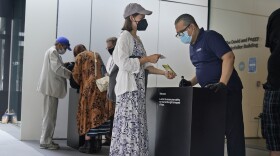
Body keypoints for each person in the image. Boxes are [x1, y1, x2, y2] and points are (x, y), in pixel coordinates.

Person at [109, 3, 176, 156]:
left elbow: (144, 66)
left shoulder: (137, 39)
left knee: (137, 126)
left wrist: (164, 73)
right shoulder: (124, 37)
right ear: (132, 17)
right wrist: (147, 58)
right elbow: (124, 63)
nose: (144, 20)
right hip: (128, 91)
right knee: (129, 127)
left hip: (138, 90)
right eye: (142, 17)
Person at [174, 14, 245, 156]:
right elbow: (202, 70)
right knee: (213, 131)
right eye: (178, 34)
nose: (180, 36)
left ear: (192, 27)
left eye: (181, 32)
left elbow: (229, 57)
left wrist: (223, 83)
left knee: (233, 131)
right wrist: (190, 82)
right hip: (210, 94)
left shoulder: (210, 37)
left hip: (227, 90)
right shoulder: (192, 46)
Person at [71, 44, 114, 153]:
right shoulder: (96, 54)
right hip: (101, 87)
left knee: (88, 114)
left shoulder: (80, 56)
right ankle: (96, 143)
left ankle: (88, 143)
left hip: (89, 90)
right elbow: (104, 70)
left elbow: (76, 76)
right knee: (97, 114)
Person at [37, 36, 72, 150]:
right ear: (60, 45)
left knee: (49, 115)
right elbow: (57, 69)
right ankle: (46, 141)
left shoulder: (53, 52)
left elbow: (57, 66)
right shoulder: (53, 52)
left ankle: (47, 140)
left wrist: (64, 65)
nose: (65, 50)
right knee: (49, 116)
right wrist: (71, 75)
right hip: (50, 88)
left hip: (50, 88)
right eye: (65, 47)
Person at [261, 8, 280, 156]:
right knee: (274, 137)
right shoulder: (275, 15)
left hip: (275, 82)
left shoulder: (275, 15)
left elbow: (272, 48)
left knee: (275, 138)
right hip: (275, 82)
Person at [103, 37, 117, 146]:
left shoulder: (119, 58)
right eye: (107, 48)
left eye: (110, 47)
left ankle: (112, 138)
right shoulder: (110, 58)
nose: (108, 49)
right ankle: (108, 138)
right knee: (109, 115)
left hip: (117, 90)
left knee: (114, 115)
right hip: (109, 90)